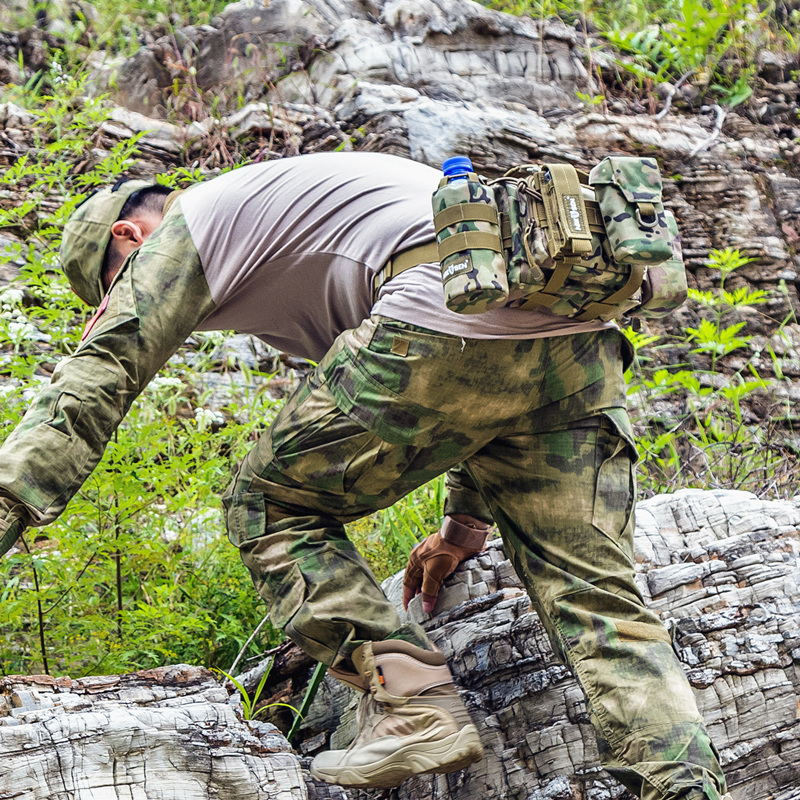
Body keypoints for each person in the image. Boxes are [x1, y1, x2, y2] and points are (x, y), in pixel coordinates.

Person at [0, 152, 728, 797]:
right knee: (600, 600)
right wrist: (463, 527)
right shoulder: (293, 218)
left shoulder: (195, 223)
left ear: (128, 239)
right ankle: (684, 786)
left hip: (440, 315)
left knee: (266, 503)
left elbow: (93, 380)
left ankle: (414, 706)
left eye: (116, 286)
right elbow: (485, 383)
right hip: (574, 350)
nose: (134, 300)